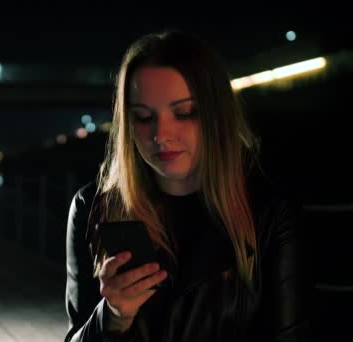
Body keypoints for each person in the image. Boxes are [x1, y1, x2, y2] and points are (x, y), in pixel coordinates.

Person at [64, 30, 312, 341]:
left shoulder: (268, 210)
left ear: (215, 115)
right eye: (143, 117)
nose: (161, 134)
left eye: (184, 113)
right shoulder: (92, 208)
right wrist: (111, 316)